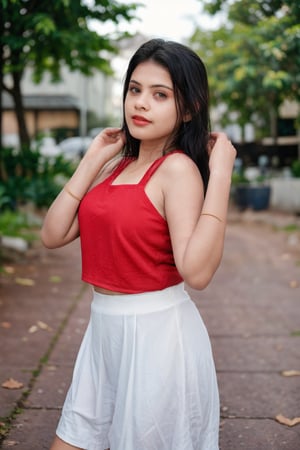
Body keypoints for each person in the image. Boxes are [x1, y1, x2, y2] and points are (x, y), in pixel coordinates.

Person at [41, 38, 236, 450]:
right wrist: (93, 157)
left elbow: (197, 272)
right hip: (104, 331)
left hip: (157, 337)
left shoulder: (178, 171)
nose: (140, 104)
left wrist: (219, 174)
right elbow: (53, 233)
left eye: (159, 94)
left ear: (189, 108)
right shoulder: (118, 165)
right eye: (135, 89)